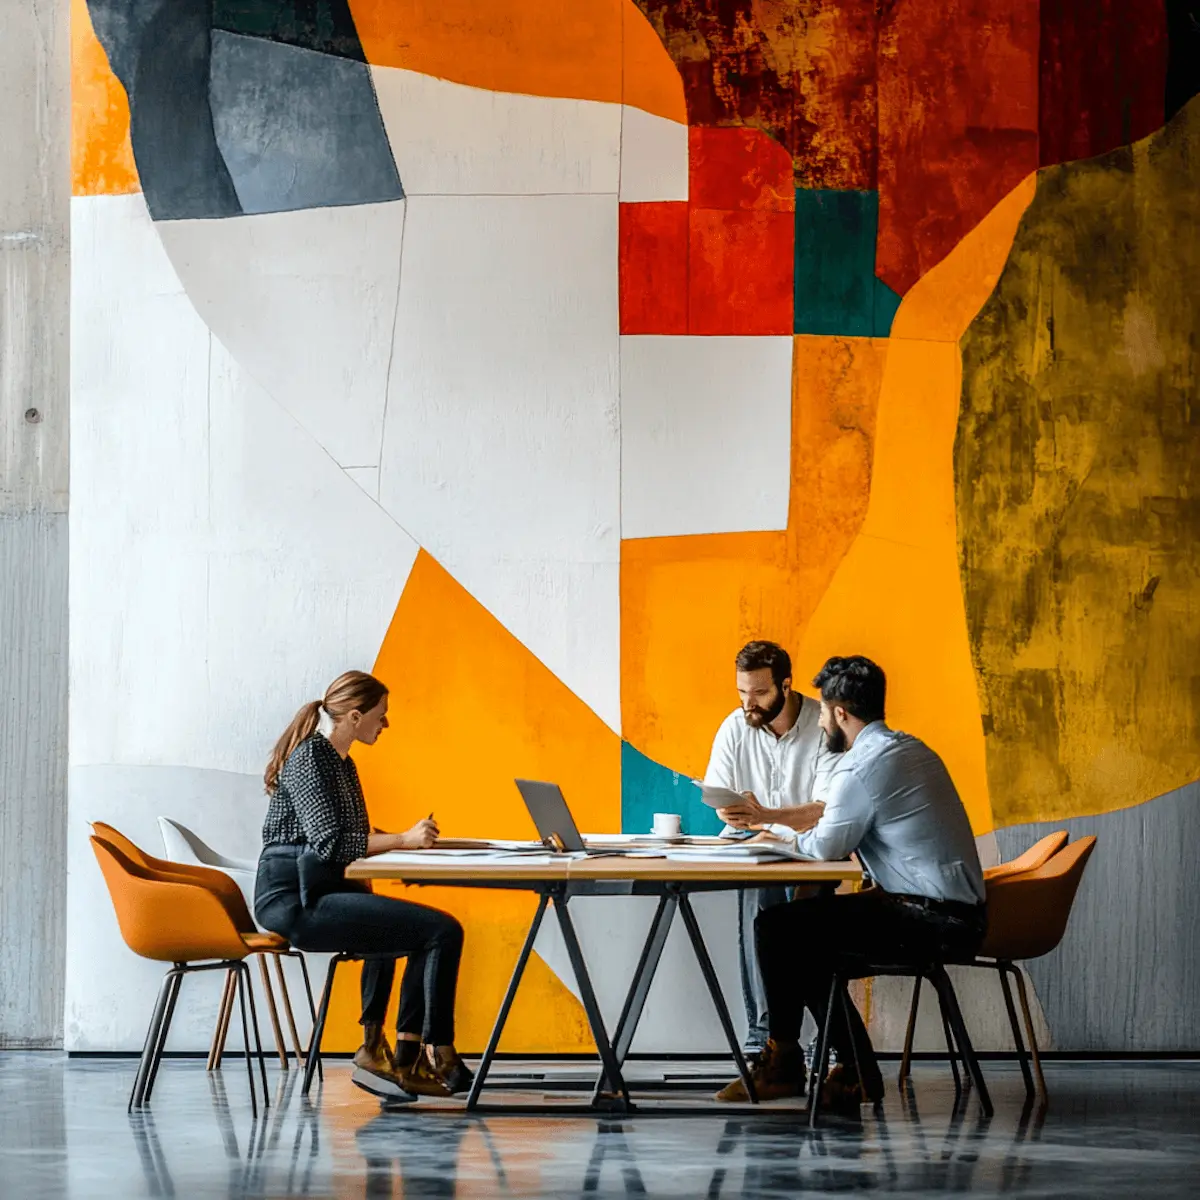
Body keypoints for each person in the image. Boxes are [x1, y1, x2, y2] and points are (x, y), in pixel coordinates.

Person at [715, 655, 986, 1111]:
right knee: (803, 935)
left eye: (822, 712)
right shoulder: (906, 748)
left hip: (932, 918)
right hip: (950, 912)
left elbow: (824, 846)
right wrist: (779, 827)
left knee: (780, 929)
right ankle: (846, 1070)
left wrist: (768, 828)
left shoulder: (861, 768)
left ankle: (792, 1065)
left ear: (841, 714)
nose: (819, 721)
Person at [255, 670, 473, 1103]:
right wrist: (403, 840)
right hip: (295, 899)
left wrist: (407, 841)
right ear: (354, 716)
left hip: (324, 888)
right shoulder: (310, 758)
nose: (385, 724)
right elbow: (333, 842)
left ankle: (394, 1052)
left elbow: (352, 835)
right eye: (381, 715)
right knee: (442, 931)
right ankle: (434, 1050)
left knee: (415, 931)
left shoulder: (342, 761)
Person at [703, 640, 832, 1064]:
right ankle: (766, 1034)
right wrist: (733, 810)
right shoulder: (734, 726)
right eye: (742, 693)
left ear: (786, 685)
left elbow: (826, 810)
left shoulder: (823, 725)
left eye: (759, 693)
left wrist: (767, 815)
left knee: (817, 910)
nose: (748, 704)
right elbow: (719, 795)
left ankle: (826, 1034)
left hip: (811, 844)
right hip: (750, 843)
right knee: (761, 894)